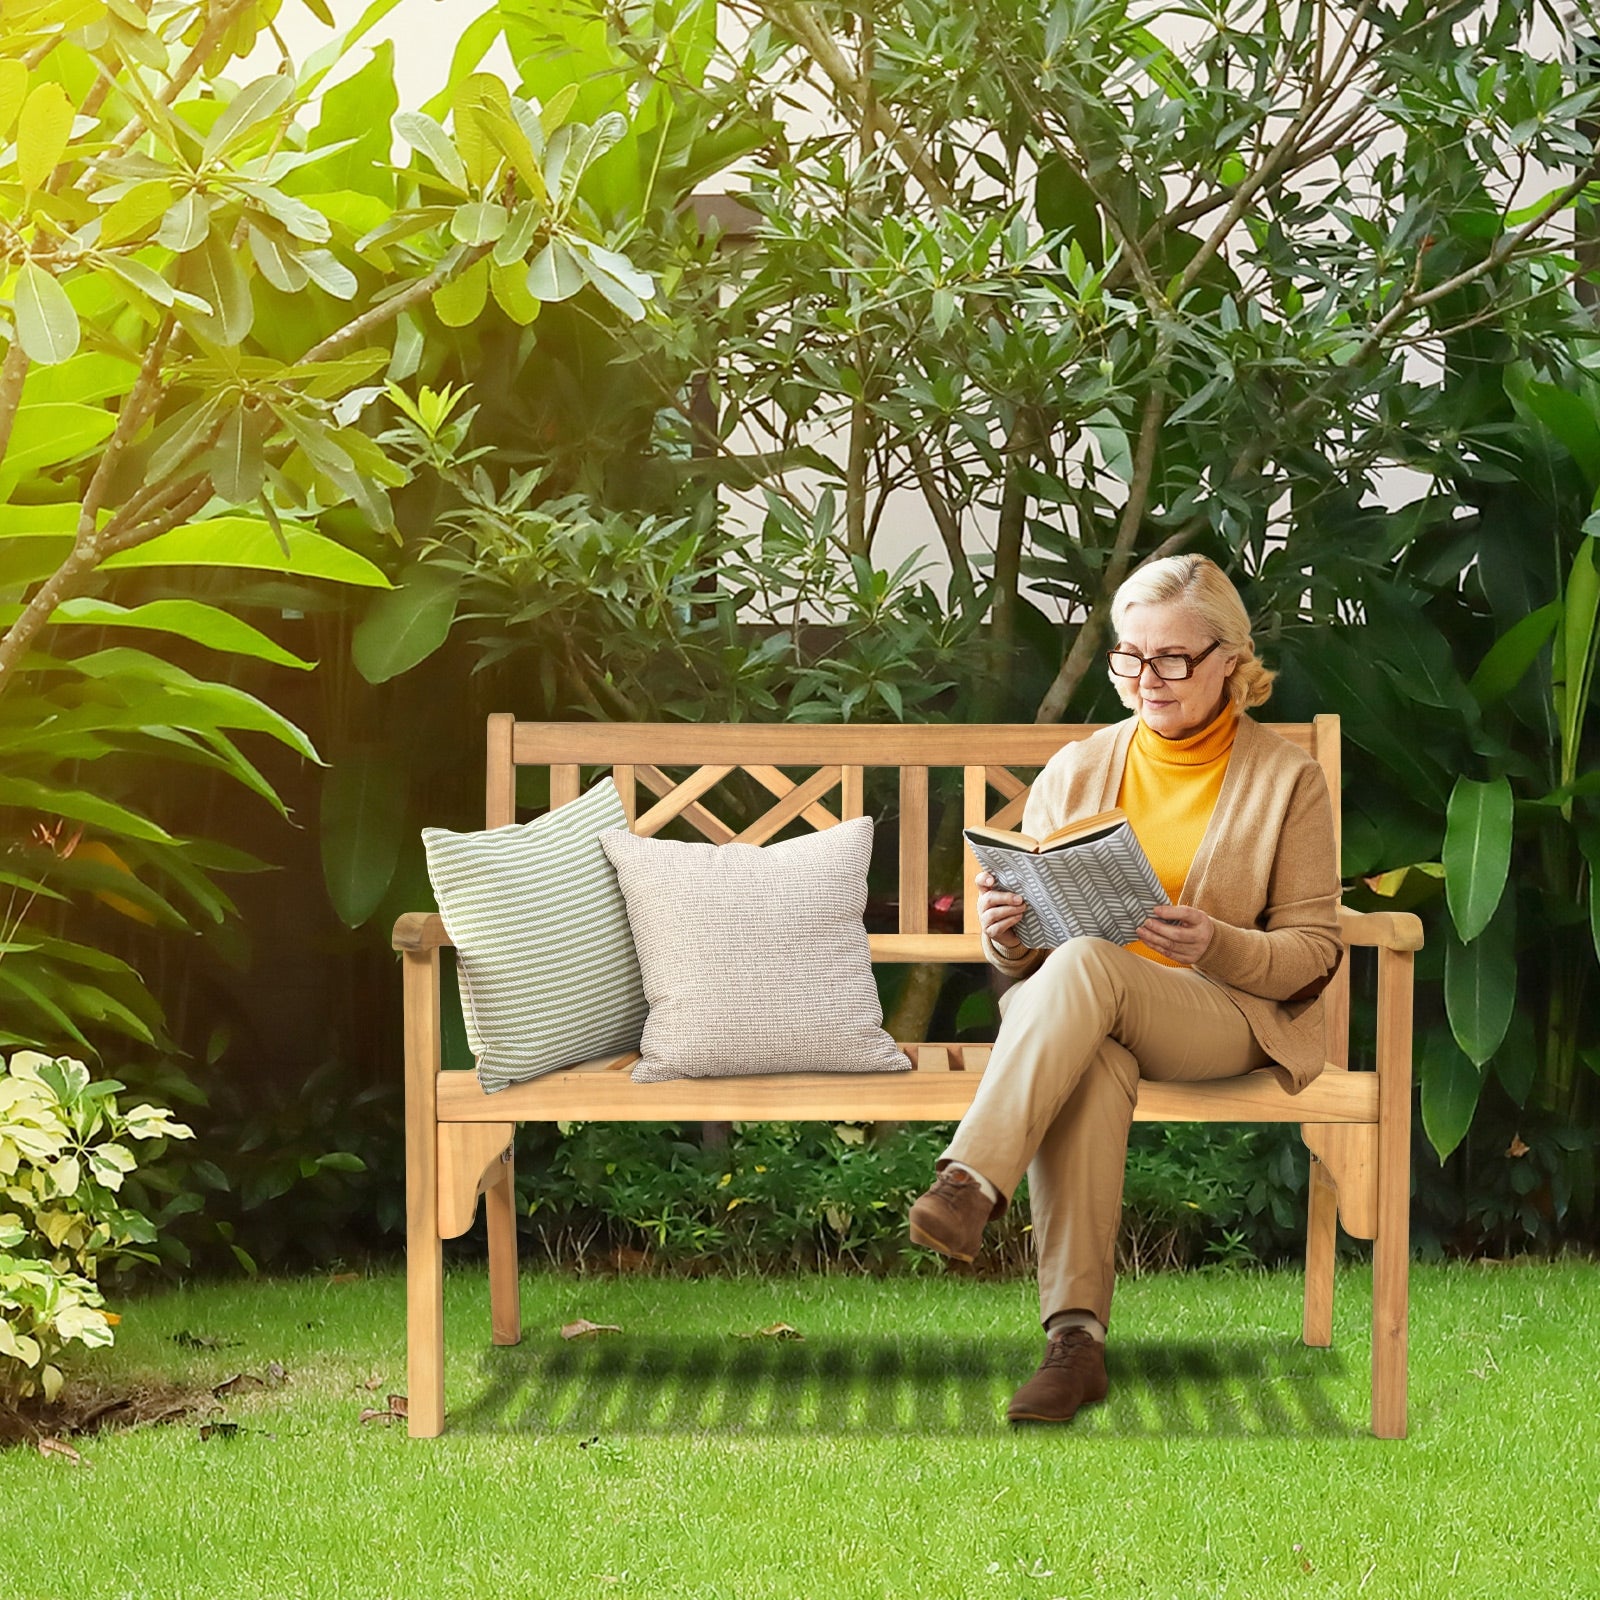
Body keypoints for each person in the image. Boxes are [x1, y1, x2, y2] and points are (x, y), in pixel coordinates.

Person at [907, 553, 1343, 1424]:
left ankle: (968, 1181)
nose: (1149, 679)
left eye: (1173, 658)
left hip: (1223, 1014)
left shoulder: (1287, 779)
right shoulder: (1076, 768)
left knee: (1090, 968)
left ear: (1231, 660)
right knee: (1090, 1034)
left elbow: (1314, 952)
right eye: (1130, 658)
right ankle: (1075, 1344)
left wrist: (1217, 942)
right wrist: (1006, 933)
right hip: (1088, 1012)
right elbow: (1028, 958)